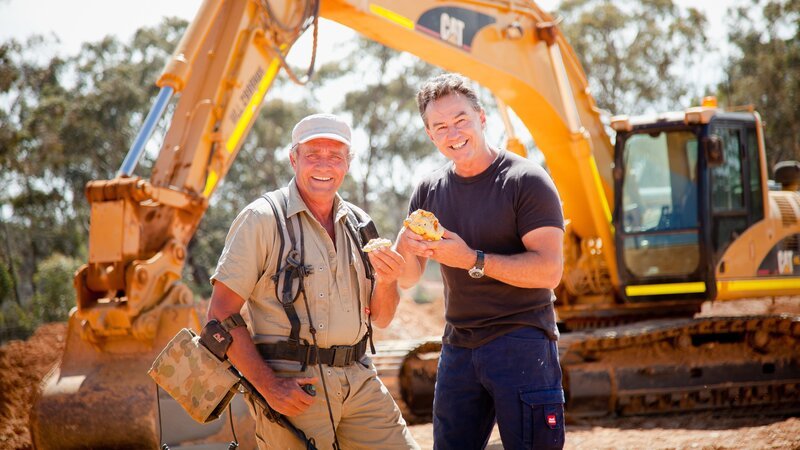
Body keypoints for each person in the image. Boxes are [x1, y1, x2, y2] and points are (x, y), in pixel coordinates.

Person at [208, 113, 419, 449]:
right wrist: (270, 388)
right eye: (313, 154)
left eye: (335, 156)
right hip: (294, 388)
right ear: (294, 158)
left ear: (347, 163)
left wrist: (389, 280)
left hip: (360, 382)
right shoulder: (262, 219)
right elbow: (220, 315)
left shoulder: (360, 224)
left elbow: (380, 317)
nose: (325, 165)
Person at [396, 73, 566, 449]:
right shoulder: (428, 189)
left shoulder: (526, 180)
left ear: (481, 118)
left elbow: (550, 271)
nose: (453, 132)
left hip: (521, 340)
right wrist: (400, 250)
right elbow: (408, 278)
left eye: (460, 120)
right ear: (430, 135)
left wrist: (473, 259)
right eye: (440, 126)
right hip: (458, 347)